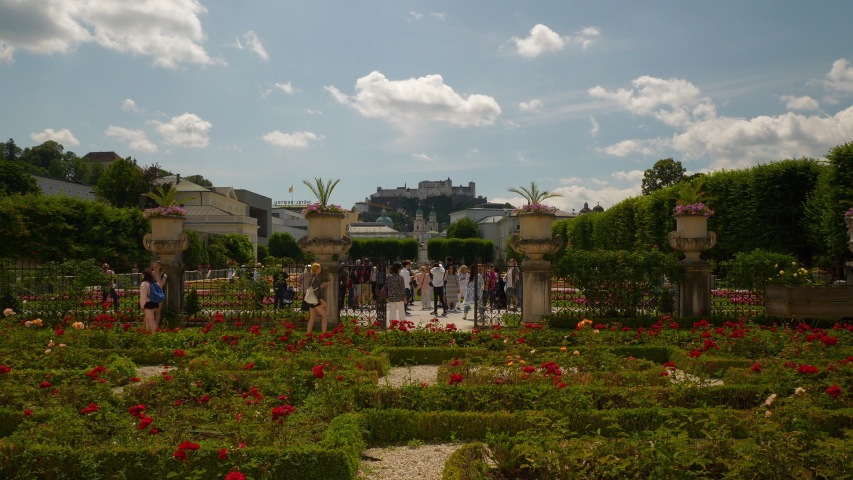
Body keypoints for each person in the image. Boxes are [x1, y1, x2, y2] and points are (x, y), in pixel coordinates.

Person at [305, 263, 330, 333]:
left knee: (312, 318)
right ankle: (324, 332)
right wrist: (322, 301)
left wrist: (321, 286)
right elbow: (317, 292)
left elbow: (314, 289)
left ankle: (308, 333)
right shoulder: (316, 278)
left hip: (311, 300)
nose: (320, 270)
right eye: (319, 268)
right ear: (317, 269)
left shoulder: (312, 277)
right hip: (315, 300)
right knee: (324, 316)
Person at [385, 262, 406, 326]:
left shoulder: (389, 276)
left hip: (391, 296)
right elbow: (402, 289)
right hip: (399, 297)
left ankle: (392, 325)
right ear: (398, 269)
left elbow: (386, 286)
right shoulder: (400, 277)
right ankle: (402, 324)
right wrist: (404, 297)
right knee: (401, 311)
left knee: (392, 312)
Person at [151, 261, 167, 328]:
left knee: (157, 311)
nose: (155, 268)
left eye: (156, 266)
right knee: (150, 311)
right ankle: (148, 326)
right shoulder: (150, 274)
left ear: (160, 267)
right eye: (154, 266)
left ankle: (155, 326)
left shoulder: (163, 275)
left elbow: (160, 285)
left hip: (158, 295)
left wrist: (157, 275)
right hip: (151, 294)